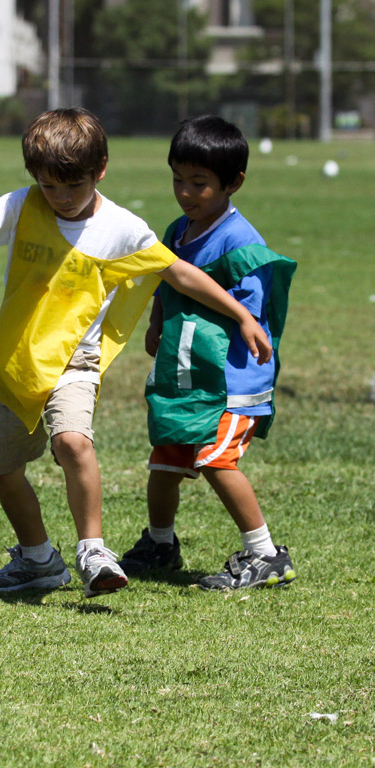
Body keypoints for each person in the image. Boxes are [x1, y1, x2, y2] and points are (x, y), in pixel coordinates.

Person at [0, 107, 272, 598]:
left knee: (73, 442)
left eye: (72, 186)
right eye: (49, 186)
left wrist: (241, 314)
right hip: (17, 363)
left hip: (77, 361)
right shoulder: (21, 205)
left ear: (100, 170)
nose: (60, 198)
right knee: (2, 470)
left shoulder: (121, 227)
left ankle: (93, 551)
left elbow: (178, 273)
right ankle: (38, 558)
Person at [119, 114, 297, 590]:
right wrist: (156, 321)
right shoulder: (177, 230)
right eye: (177, 179)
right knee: (165, 461)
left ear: (233, 183)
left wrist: (243, 322)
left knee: (217, 460)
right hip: (187, 375)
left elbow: (251, 314)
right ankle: (160, 544)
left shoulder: (241, 242)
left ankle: (266, 555)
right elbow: (167, 280)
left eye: (199, 183)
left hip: (232, 379)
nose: (185, 192)